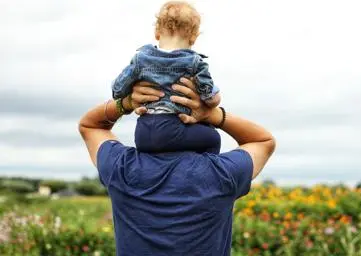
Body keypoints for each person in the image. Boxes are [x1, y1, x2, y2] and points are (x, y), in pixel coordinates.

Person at [78, 77, 276, 255]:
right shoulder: (221, 174)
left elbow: (90, 126)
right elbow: (263, 141)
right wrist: (213, 115)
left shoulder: (122, 168)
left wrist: (126, 103)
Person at [111, 1, 221, 154]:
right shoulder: (195, 62)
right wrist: (214, 98)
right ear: (193, 38)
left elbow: (117, 90)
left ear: (157, 33)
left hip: (143, 133)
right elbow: (211, 99)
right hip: (173, 129)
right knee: (213, 138)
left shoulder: (140, 59)